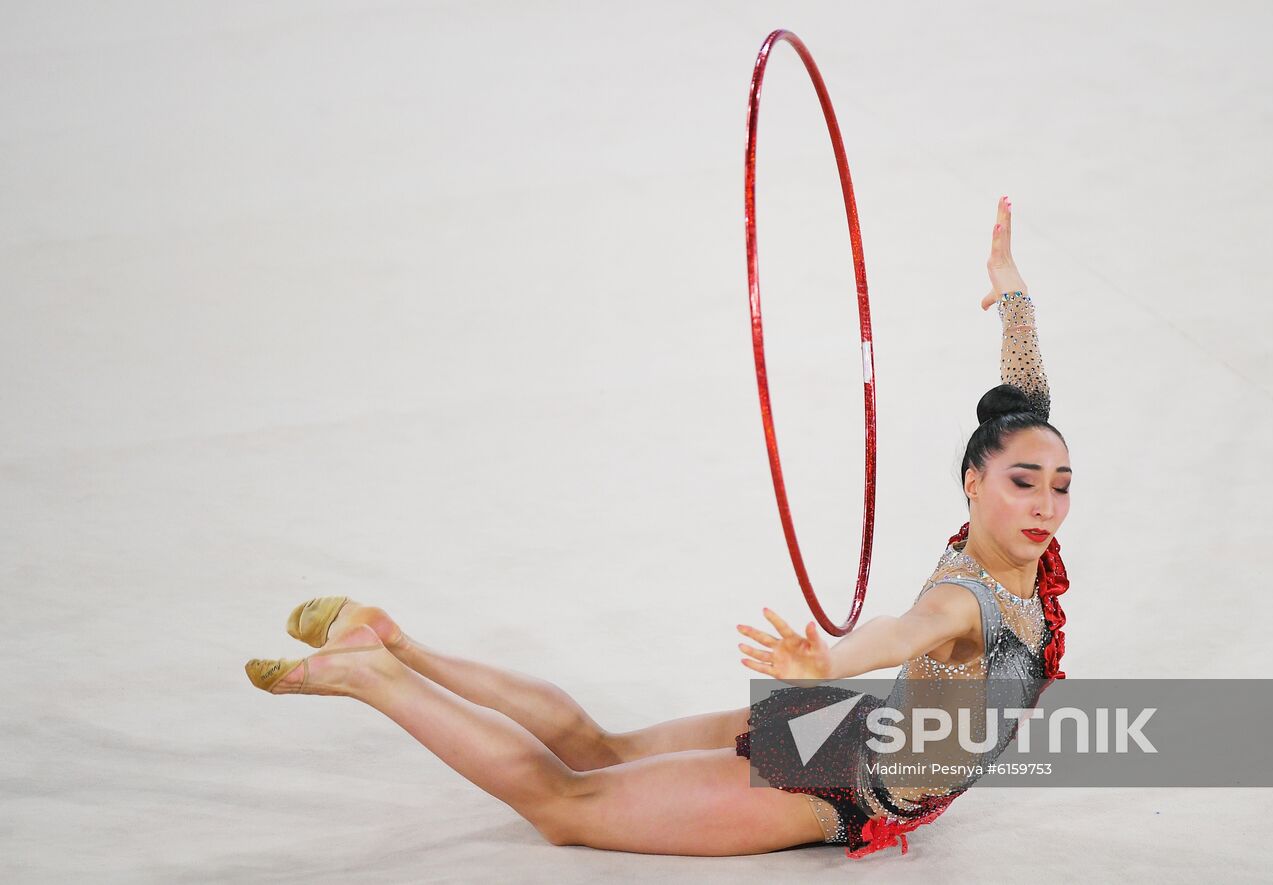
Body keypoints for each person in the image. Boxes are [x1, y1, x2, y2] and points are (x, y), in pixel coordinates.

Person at [243, 195, 1071, 859]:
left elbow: (1022, 404)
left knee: (600, 749)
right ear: (972, 484)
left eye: (1058, 487)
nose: (1042, 505)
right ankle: (372, 674)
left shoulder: (1015, 541)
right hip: (838, 778)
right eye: (1023, 484)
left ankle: (397, 642)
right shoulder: (970, 601)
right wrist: (831, 657)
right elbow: (903, 630)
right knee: (567, 803)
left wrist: (1013, 298)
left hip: (847, 728)